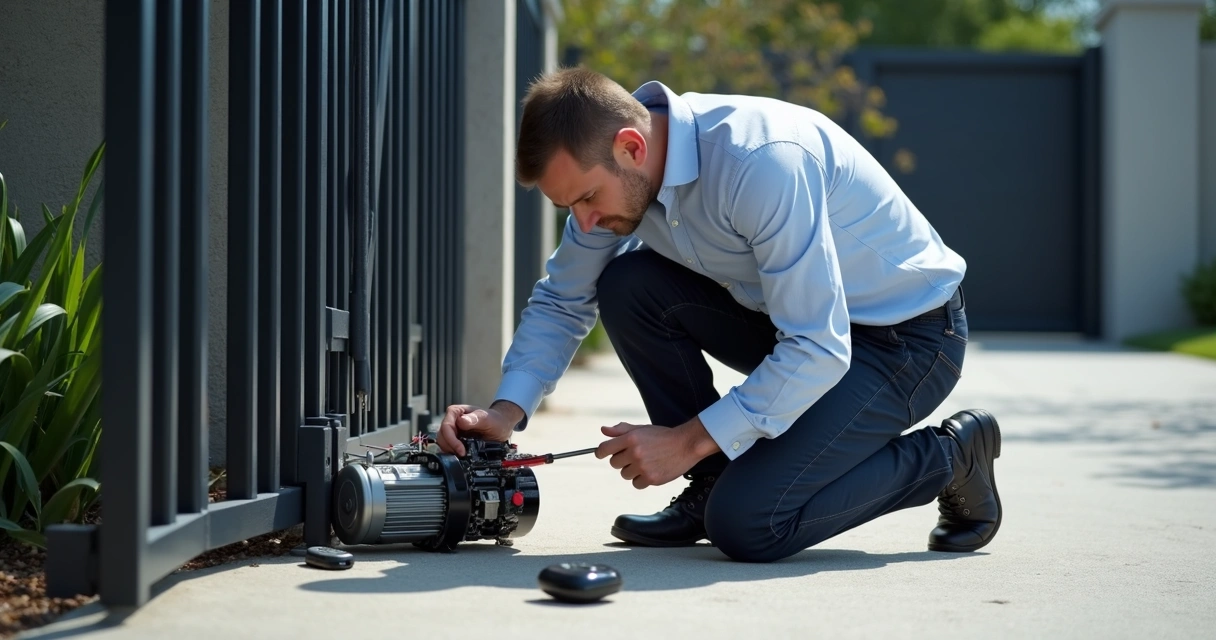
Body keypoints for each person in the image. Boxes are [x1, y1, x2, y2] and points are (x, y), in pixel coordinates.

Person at [436, 67, 1001, 563]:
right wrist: (506, 412)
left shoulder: (762, 162)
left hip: (905, 343)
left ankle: (950, 457)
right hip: (799, 325)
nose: (582, 223)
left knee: (751, 524)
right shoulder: (611, 174)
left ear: (632, 147)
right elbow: (563, 299)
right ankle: (711, 485)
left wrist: (685, 440)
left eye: (586, 199)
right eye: (568, 208)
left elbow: (817, 347)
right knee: (630, 283)